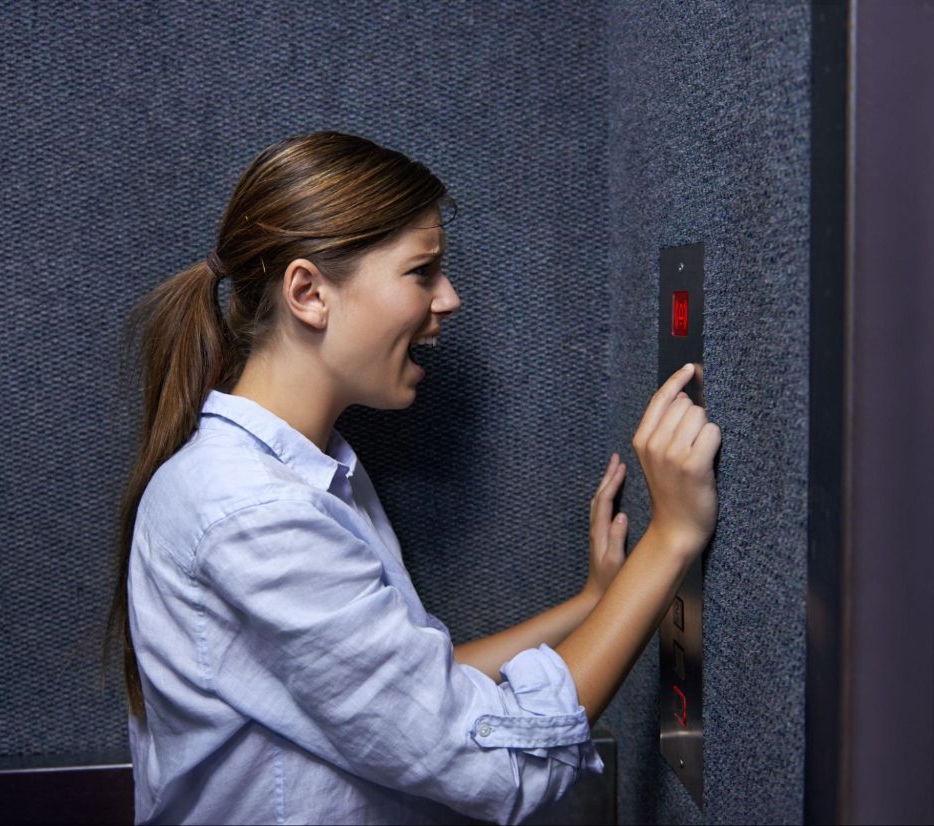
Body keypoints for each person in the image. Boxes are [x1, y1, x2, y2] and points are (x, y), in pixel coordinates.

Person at [106, 131, 721, 825]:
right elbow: (499, 764)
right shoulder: (253, 512)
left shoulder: (308, 473)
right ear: (308, 292)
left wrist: (592, 602)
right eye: (422, 271)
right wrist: (670, 536)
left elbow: (416, 691)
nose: (450, 299)